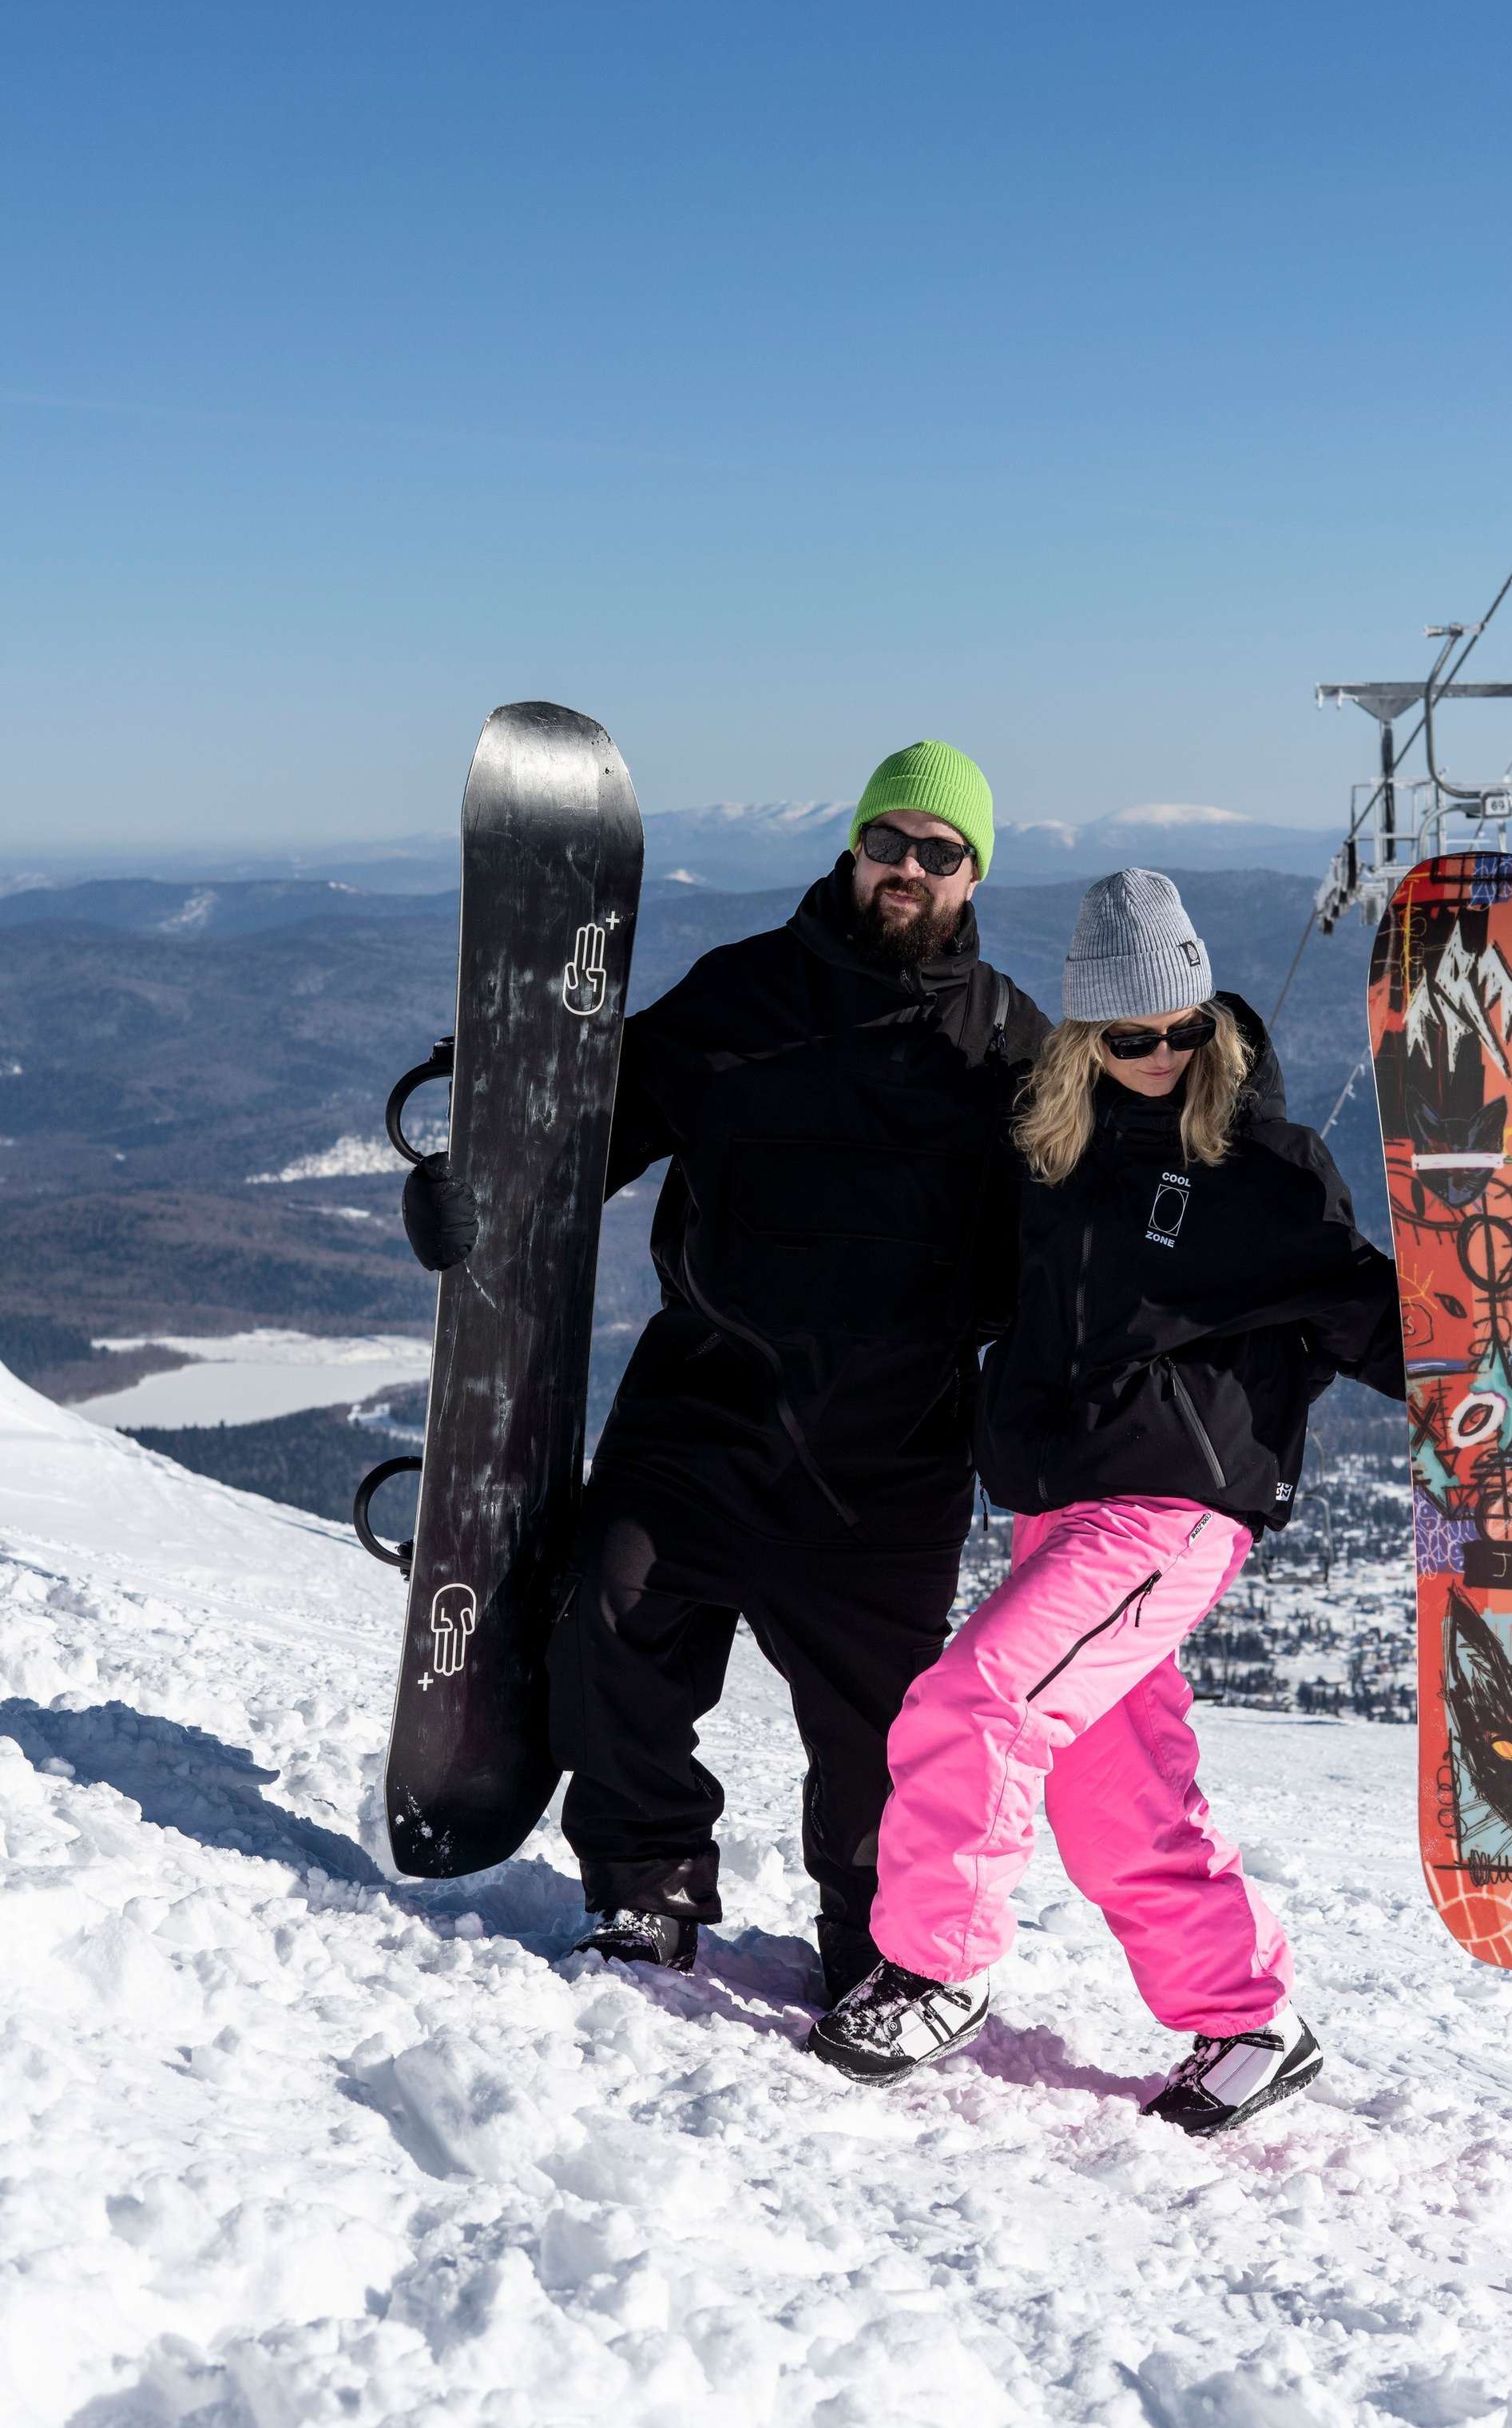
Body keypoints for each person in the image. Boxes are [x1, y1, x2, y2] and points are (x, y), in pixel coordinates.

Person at [806, 868, 1512, 2133]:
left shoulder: (1264, 1173)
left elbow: (1390, 1327)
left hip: (1168, 1513)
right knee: (1108, 1794)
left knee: (976, 1705)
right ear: (1086, 1038)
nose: (1161, 1055)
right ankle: (1248, 2018)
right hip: (1056, 1509)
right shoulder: (1047, 1156)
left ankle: (934, 1969)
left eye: (1184, 1030)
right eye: (1130, 1038)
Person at [404, 740, 1050, 2002]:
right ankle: (645, 1887)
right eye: (886, 843)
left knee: (888, 1734)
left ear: (975, 876)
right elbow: (579, 1135)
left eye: (937, 853)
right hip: (705, 1402)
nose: (904, 871)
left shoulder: (1011, 1055)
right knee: (613, 1621)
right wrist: (463, 1204)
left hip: (890, 1445)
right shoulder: (740, 997)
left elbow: (1094, 1247)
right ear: (852, 849)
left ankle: (875, 1937)